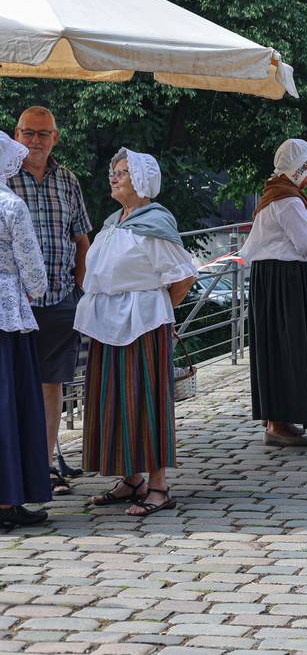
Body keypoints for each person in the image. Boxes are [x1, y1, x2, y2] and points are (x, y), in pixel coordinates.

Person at [75, 149, 196, 517]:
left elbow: (184, 276)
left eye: (123, 172)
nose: (114, 177)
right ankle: (132, 479)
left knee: (145, 401)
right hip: (107, 325)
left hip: (142, 326)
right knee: (114, 399)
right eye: (114, 171)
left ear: (142, 181)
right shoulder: (115, 222)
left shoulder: (155, 224)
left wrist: (158, 311)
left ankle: (159, 486)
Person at [10, 106, 92, 497]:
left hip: (60, 299)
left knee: (50, 385)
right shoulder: (4, 178)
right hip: (13, 306)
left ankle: (43, 466)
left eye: (43, 134)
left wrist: (79, 291)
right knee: (12, 384)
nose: (35, 141)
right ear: (16, 134)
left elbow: (82, 240)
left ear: (55, 138)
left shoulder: (68, 180)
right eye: (28, 133)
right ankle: (16, 470)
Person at [242, 139, 307, 447]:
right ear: (296, 168)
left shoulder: (276, 193)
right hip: (285, 280)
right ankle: (278, 422)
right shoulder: (288, 200)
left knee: (276, 347)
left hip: (272, 279)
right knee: (288, 348)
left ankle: (278, 419)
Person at [0, 132, 52, 529]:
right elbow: (33, 270)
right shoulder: (11, 205)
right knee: (9, 404)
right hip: (7, 314)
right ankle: (6, 499)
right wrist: (35, 290)